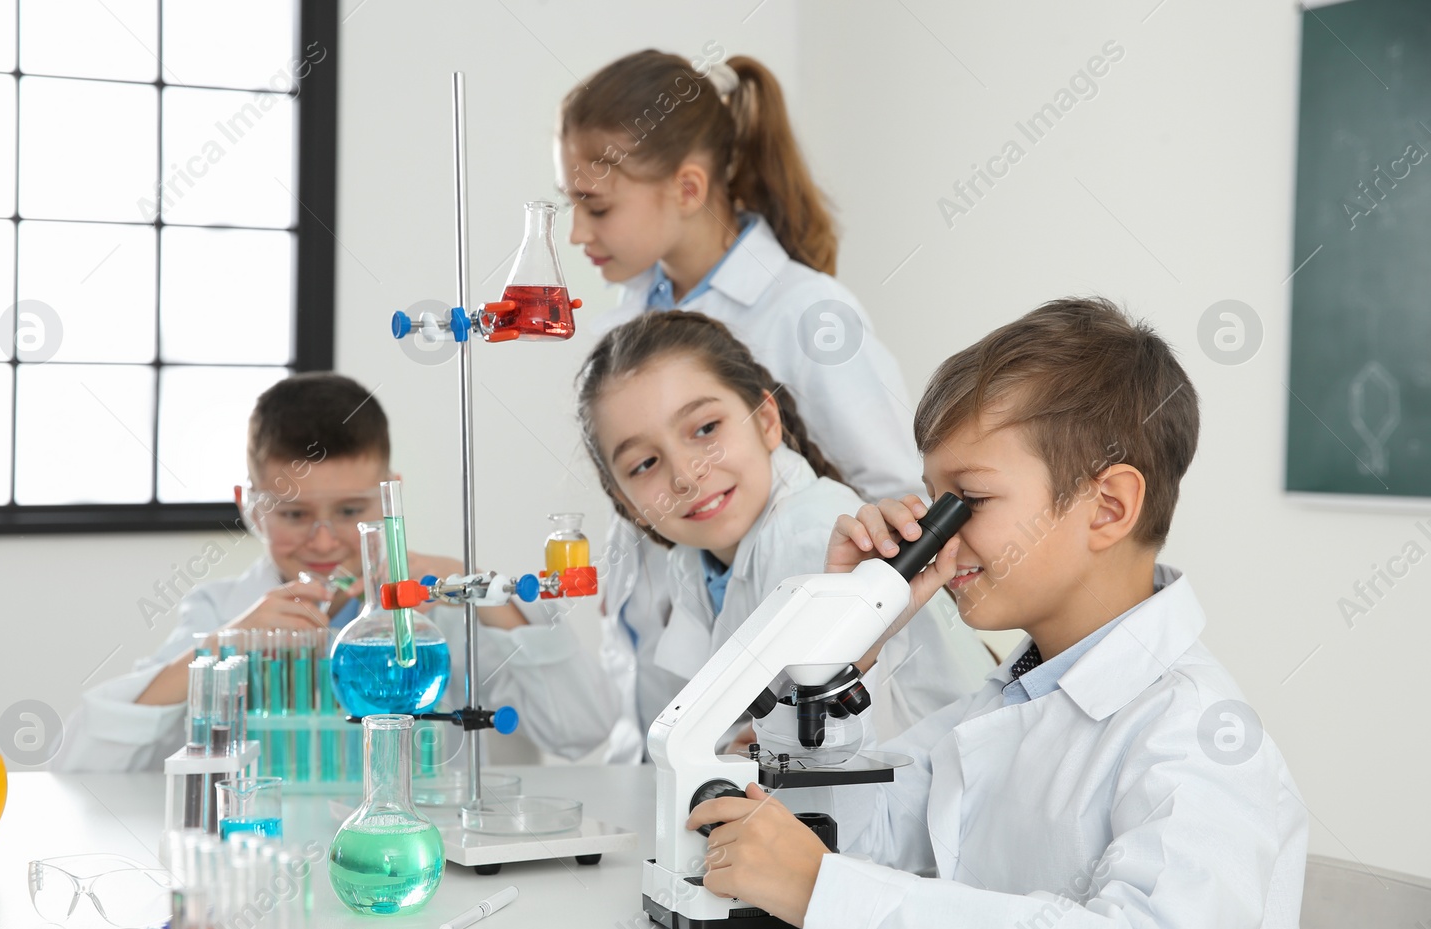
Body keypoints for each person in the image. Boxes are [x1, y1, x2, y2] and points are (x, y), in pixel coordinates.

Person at [689, 298, 1306, 929]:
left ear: (1107, 507)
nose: (928, 533)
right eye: (930, 496)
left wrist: (828, 893)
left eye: (968, 501)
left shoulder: (1201, 734)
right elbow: (851, 841)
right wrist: (837, 638)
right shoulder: (1009, 699)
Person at [555, 50, 958, 741]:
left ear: (686, 188)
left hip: (817, 686)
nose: (575, 234)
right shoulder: (626, 325)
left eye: (596, 206)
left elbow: (901, 510)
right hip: (685, 686)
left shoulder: (806, 313)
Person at [430, 311, 993, 762]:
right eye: (645, 463)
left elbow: (840, 752)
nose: (684, 475)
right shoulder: (698, 561)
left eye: (705, 429)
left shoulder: (809, 535)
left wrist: (744, 749)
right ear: (627, 504)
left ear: (767, 421)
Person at [55, 373, 616, 771]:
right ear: (249, 504)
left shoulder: (442, 616)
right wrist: (222, 648)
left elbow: (581, 732)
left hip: (428, 871)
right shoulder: (220, 612)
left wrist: (484, 594)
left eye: (351, 512)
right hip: (273, 864)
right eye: (295, 514)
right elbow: (80, 766)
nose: (323, 541)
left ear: (389, 497)